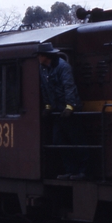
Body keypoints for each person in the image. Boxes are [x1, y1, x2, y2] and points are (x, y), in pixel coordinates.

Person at [37, 42, 87, 180]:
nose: (38, 58)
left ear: (44, 56)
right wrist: (48, 107)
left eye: (39, 55)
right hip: (58, 111)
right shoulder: (43, 70)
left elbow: (69, 86)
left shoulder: (63, 67)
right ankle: (70, 170)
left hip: (70, 111)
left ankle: (83, 171)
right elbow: (44, 88)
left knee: (76, 140)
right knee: (58, 140)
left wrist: (70, 106)